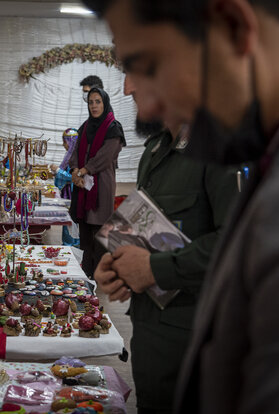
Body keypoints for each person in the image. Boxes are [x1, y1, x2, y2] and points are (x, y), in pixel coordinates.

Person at [85, 0, 279, 412]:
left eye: (148, 64)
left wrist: (155, 268)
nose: (140, 98)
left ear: (231, 26)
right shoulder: (277, 148)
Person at [94, 70, 237, 413]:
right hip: (153, 350)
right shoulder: (156, 150)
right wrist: (120, 264)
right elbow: (151, 232)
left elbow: (243, 245)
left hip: (198, 360)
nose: (127, 87)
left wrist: (154, 269)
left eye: (137, 70)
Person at [69, 87, 125, 277]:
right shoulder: (85, 126)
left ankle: (101, 274)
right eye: (91, 102)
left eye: (98, 101)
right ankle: (87, 272)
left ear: (105, 103)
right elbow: (75, 151)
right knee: (85, 229)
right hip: (83, 186)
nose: (94, 106)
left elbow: (105, 156)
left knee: (99, 232)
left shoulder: (113, 127)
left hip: (101, 186)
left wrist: (84, 170)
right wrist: (75, 170)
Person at [51, 128, 80, 245]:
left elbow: (73, 177)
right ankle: (68, 248)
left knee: (72, 224)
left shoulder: (76, 158)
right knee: (67, 224)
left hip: (73, 195)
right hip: (67, 195)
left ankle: (73, 251)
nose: (64, 145)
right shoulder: (69, 156)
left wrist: (58, 171)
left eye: (65, 142)